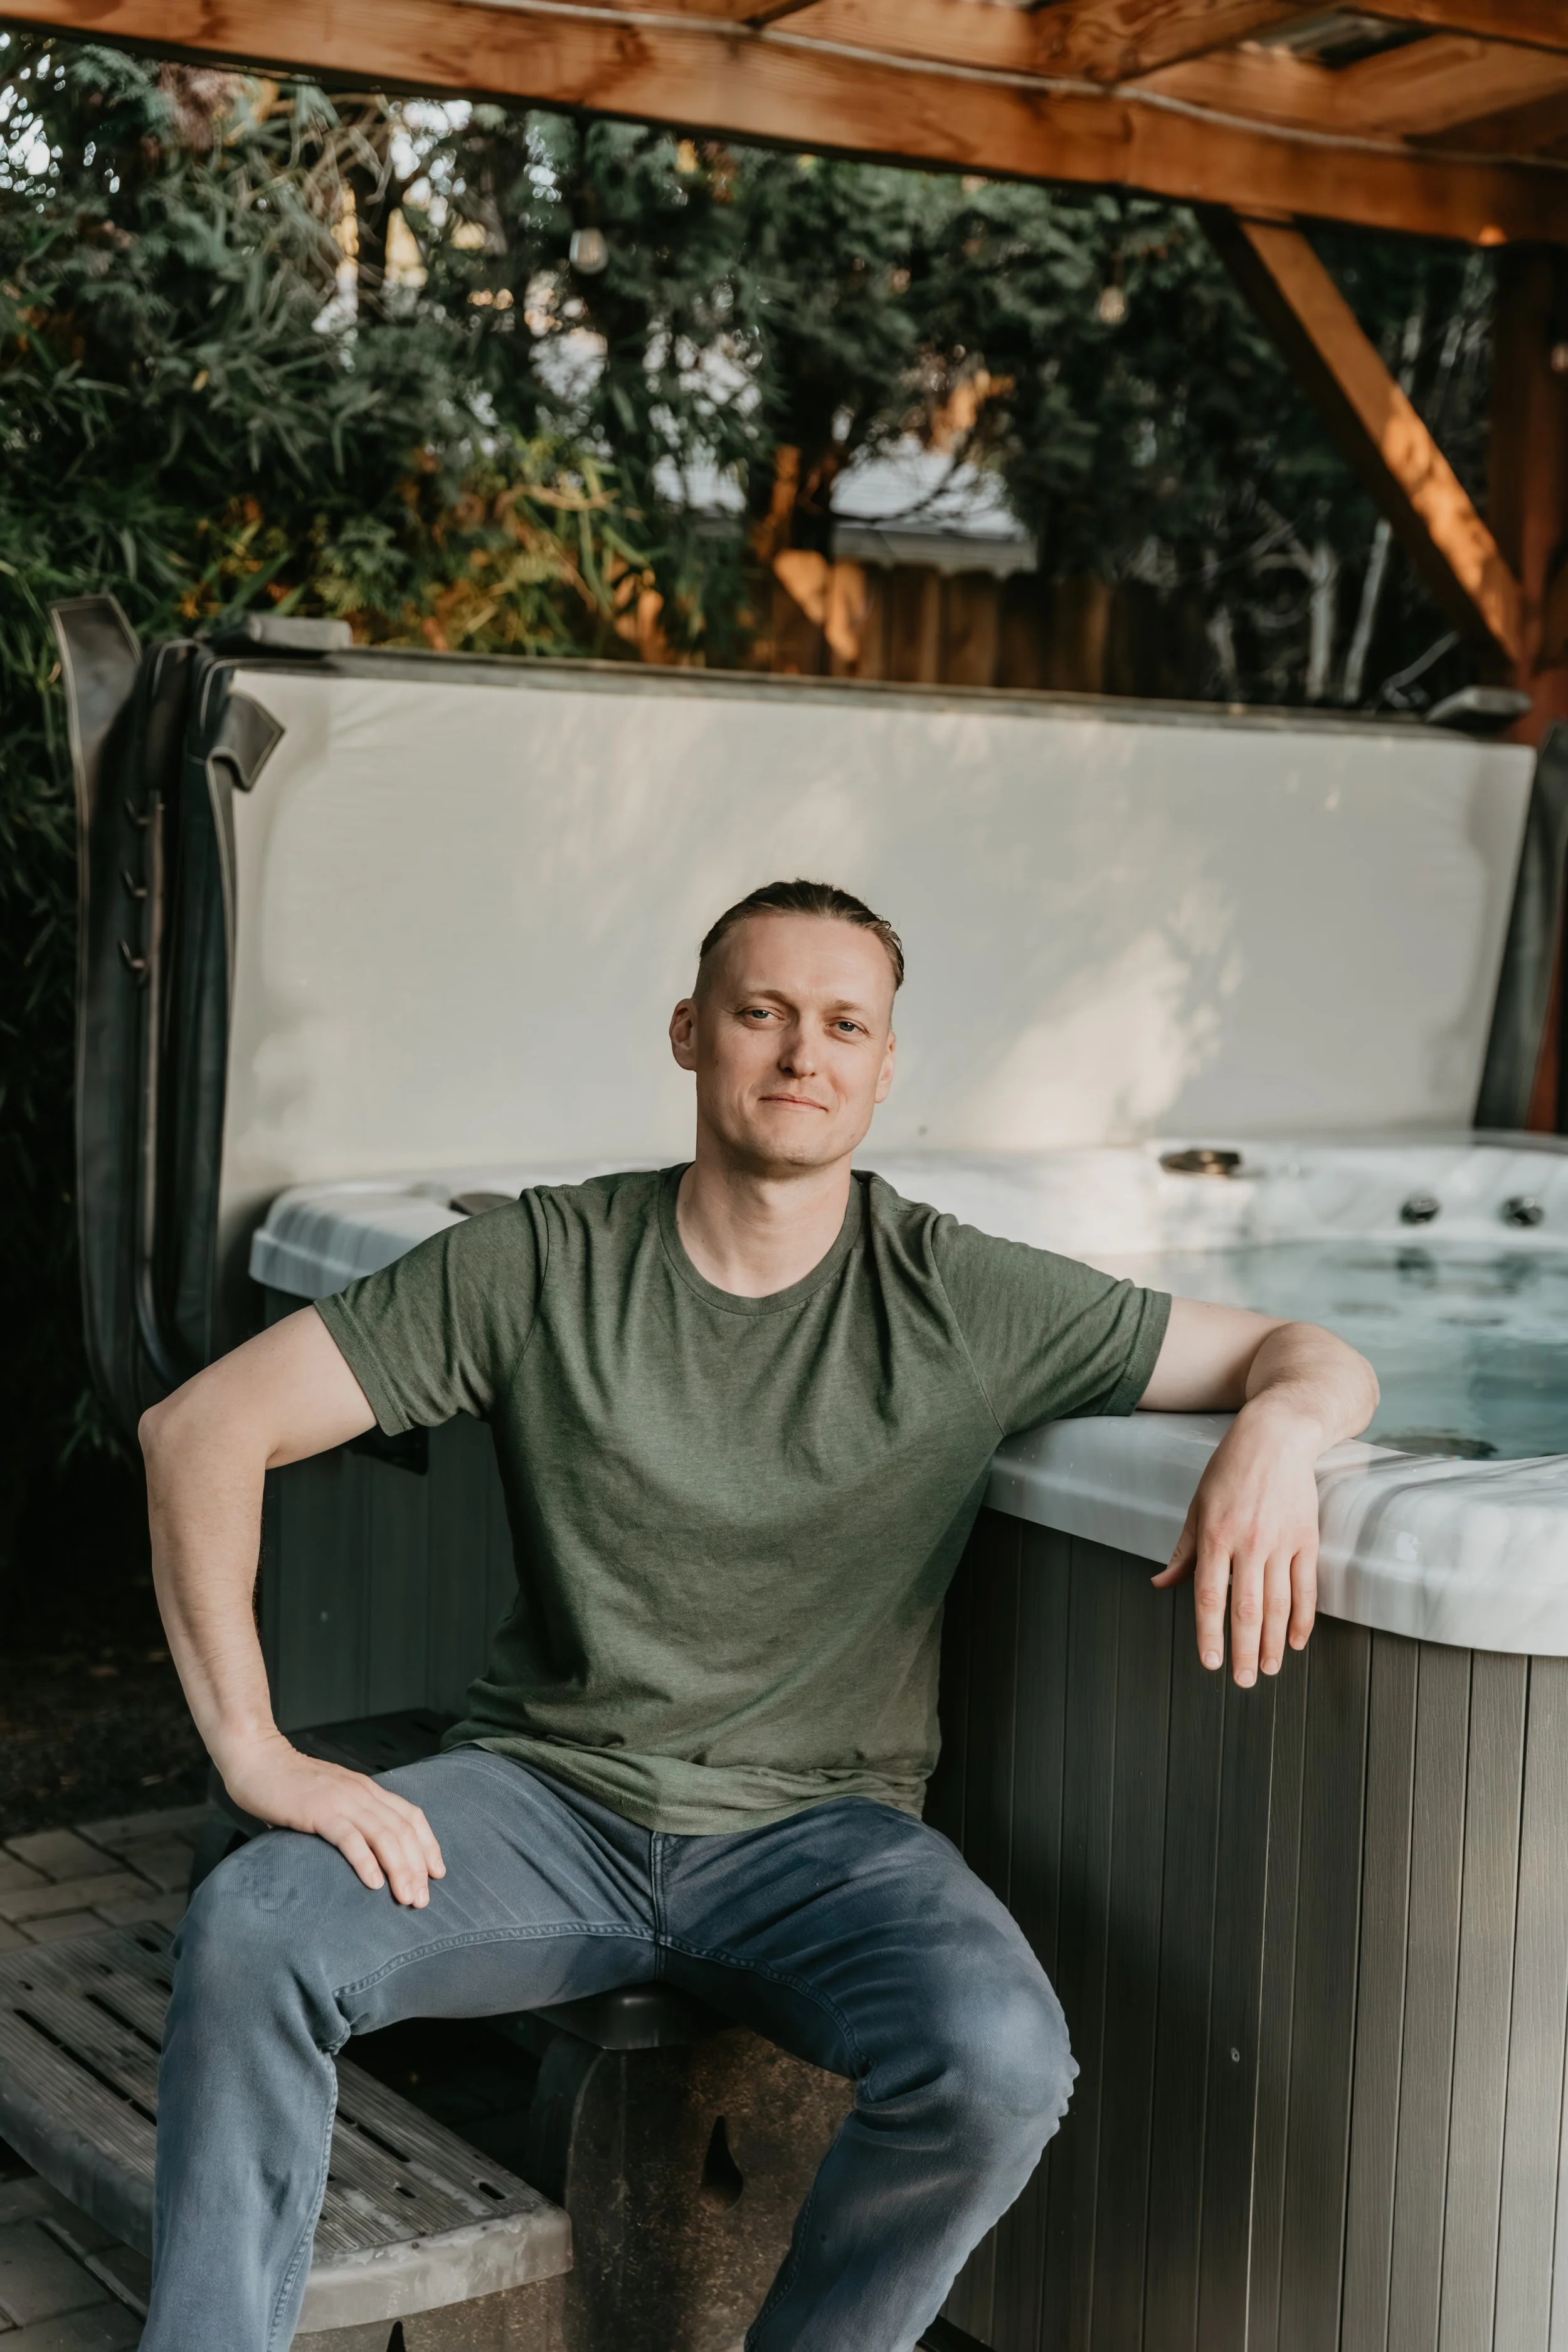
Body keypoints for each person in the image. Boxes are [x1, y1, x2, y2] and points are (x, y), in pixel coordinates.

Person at [137, 877, 1377, 2351]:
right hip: (546, 1803)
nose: (804, 1052)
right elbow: (200, 1431)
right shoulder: (541, 1262)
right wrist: (258, 1752)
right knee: (255, 1927)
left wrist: (1278, 1441)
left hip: (823, 1840)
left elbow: (1308, 1351)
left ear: (883, 1067)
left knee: (997, 2063)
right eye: (763, 1013)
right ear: (689, 1035)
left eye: (844, 1024)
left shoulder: (958, 1297)